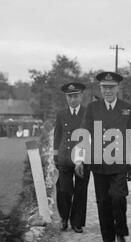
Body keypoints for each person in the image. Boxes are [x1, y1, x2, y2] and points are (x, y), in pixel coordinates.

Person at [75, 71, 131, 242]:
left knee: (118, 199)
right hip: (99, 164)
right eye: (104, 87)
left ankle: (121, 236)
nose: (108, 91)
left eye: (111, 87)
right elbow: (84, 134)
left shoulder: (127, 108)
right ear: (100, 89)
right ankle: (107, 238)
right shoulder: (92, 108)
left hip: (119, 163)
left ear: (118, 88)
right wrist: (79, 159)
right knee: (103, 202)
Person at [54, 82, 91, 233]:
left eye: (75, 96)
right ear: (66, 98)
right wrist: (55, 154)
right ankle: (64, 218)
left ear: (81, 96)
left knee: (81, 191)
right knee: (64, 189)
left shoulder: (88, 113)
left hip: (83, 157)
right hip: (64, 156)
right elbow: (57, 135)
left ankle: (77, 222)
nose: (72, 100)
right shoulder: (61, 114)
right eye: (69, 96)